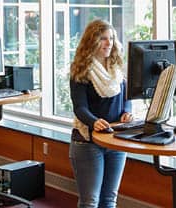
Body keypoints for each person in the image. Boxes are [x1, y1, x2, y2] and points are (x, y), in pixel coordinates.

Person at [69, 19, 133, 208]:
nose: (109, 43)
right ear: (92, 41)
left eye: (111, 38)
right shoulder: (80, 70)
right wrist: (93, 121)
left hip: (115, 139)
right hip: (88, 141)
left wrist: (127, 112)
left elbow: (127, 97)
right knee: (90, 202)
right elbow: (79, 107)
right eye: (103, 39)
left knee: (109, 199)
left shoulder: (117, 68)